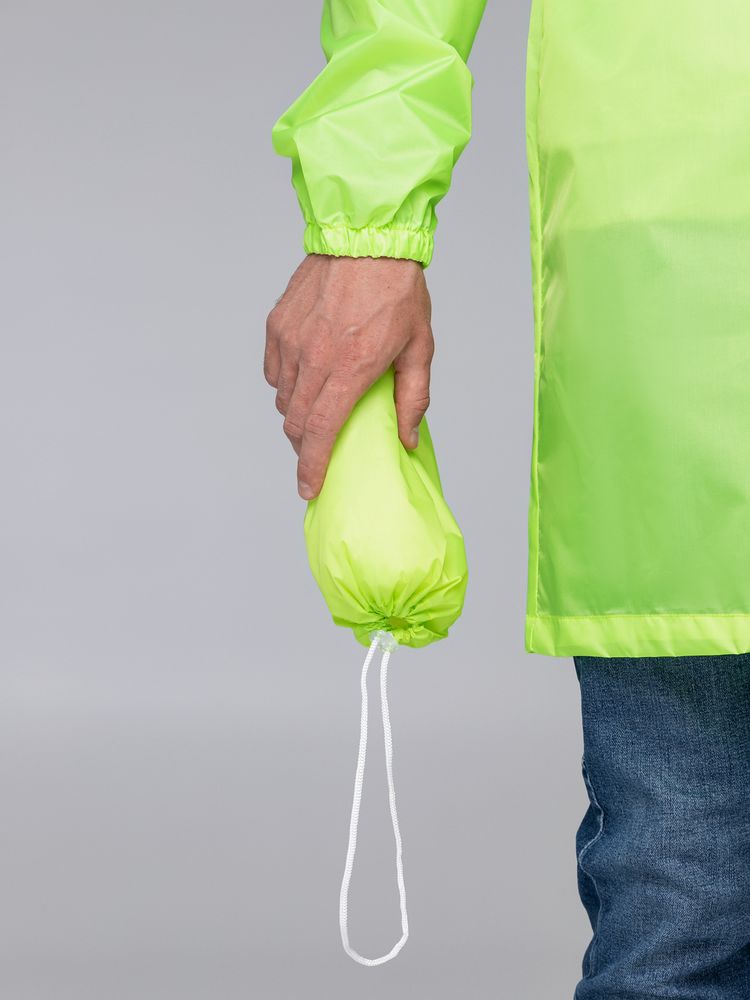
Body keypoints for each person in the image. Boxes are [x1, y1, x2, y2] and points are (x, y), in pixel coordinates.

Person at [265, 3, 750, 996]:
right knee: (687, 899)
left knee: (685, 902)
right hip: (690, 264)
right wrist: (367, 229)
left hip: (673, 250)